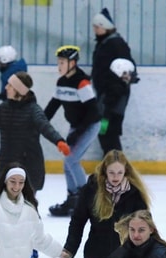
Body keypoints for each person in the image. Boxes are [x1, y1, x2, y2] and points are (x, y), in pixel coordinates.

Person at [44, 45, 102, 217]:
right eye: (58, 62)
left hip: (90, 125)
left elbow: (93, 112)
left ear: (73, 63)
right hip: (77, 126)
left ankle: (88, 200)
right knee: (68, 162)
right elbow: (52, 106)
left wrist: (78, 132)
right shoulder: (61, 82)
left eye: (62, 62)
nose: (59, 66)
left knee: (72, 160)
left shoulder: (81, 82)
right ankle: (73, 199)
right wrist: (39, 122)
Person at [91, 8, 138, 155]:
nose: (95, 30)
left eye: (97, 27)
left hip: (114, 96)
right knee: (104, 129)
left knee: (109, 130)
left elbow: (129, 69)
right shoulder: (104, 43)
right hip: (106, 96)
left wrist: (115, 91)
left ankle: (117, 166)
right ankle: (113, 165)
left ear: (104, 27)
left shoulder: (116, 44)